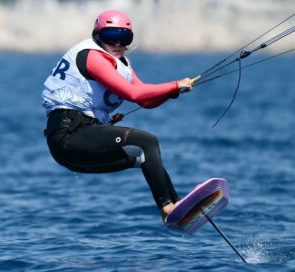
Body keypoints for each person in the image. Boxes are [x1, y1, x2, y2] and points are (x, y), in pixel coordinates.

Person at [41, 10, 193, 222]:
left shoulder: (123, 65)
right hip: (68, 136)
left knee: (144, 155)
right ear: (98, 36)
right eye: (111, 37)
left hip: (80, 142)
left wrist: (172, 92)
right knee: (147, 141)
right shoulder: (93, 57)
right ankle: (167, 208)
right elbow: (133, 93)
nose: (118, 43)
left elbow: (145, 101)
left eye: (124, 37)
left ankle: (177, 207)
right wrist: (174, 85)